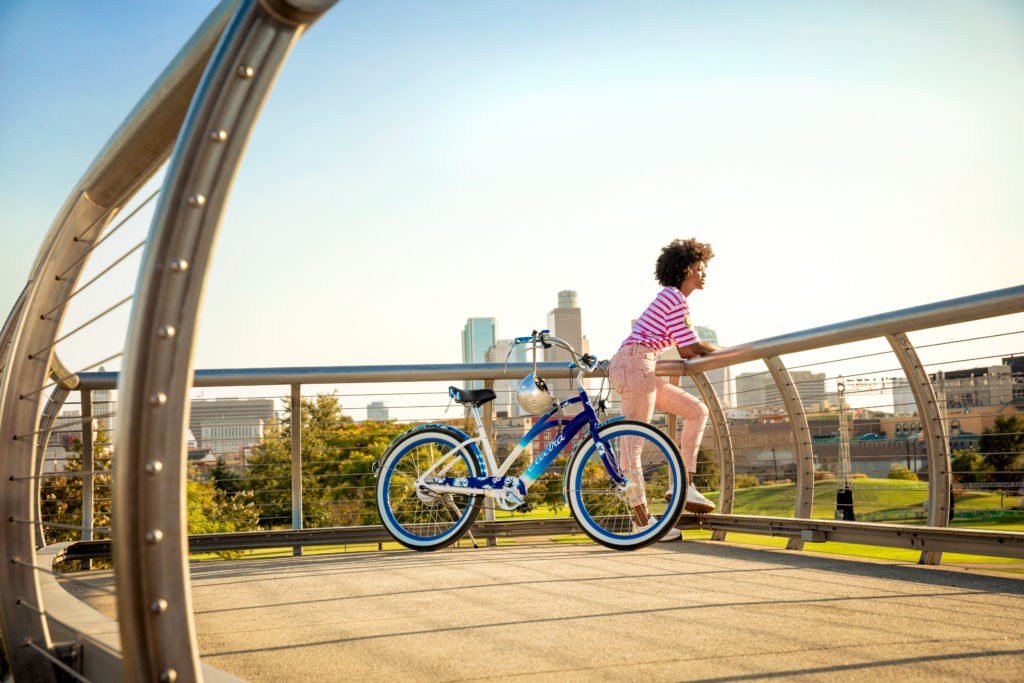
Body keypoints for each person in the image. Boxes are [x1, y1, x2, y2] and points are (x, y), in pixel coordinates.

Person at [608, 238, 720, 540]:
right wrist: (720, 349)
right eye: (700, 267)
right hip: (635, 364)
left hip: (636, 365)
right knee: (632, 446)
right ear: (686, 269)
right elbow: (689, 349)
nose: (704, 272)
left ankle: (683, 484)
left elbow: (684, 346)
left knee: (697, 411)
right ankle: (642, 522)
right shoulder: (673, 298)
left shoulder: (670, 299)